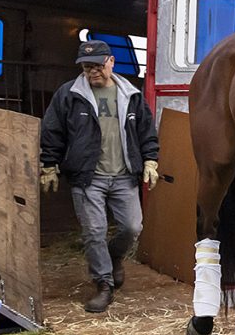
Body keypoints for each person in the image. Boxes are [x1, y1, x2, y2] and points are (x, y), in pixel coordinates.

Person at [39, 40, 160, 313]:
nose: (92, 72)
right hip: (87, 176)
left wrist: (151, 159)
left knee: (132, 227)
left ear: (111, 63)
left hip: (123, 174)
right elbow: (52, 130)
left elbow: (146, 130)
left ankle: (114, 256)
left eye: (97, 66)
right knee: (94, 231)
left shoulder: (131, 94)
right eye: (86, 67)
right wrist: (49, 163)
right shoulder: (69, 94)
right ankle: (104, 285)